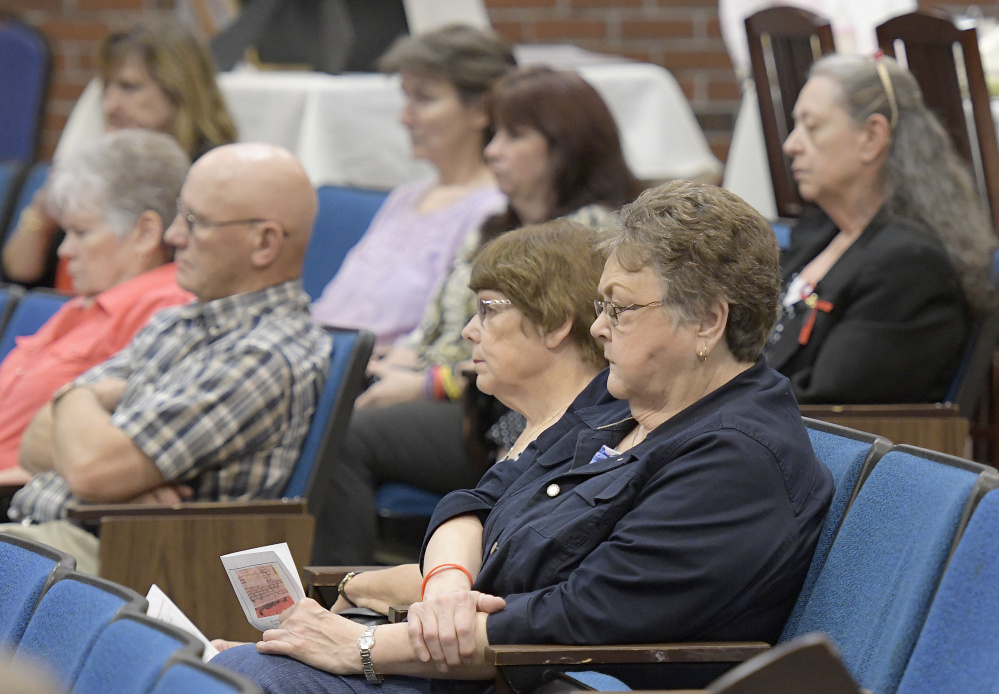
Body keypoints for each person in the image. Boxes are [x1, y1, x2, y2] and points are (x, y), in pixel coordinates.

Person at [211, 180, 834, 694]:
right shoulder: (618, 402)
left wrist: (365, 646)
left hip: (524, 681)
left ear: (706, 320)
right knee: (205, 666)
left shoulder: (736, 460)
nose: (599, 326)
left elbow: (578, 622)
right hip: (458, 658)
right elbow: (478, 500)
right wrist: (448, 587)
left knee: (231, 678)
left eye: (619, 309)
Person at [312, 66, 643, 564]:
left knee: (347, 435)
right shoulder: (493, 223)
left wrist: (427, 382)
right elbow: (439, 324)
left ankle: (341, 575)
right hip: (461, 384)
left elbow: (564, 351)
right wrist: (399, 362)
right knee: (319, 398)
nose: (492, 151)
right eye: (492, 136)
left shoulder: (595, 237)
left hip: (498, 403)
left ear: (567, 143)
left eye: (514, 135)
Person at [2, 143, 332, 577]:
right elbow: (36, 441)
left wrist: (76, 398)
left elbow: (89, 469)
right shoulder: (178, 321)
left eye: (195, 222)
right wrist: (97, 441)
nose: (174, 235)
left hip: (122, 565)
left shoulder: (265, 354)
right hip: (45, 535)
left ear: (264, 242)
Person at [766, 54, 995, 403]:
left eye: (811, 127)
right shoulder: (819, 232)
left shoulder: (909, 267)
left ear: (872, 137)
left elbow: (826, 405)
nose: (791, 145)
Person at [0, 129, 194, 485]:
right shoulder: (85, 303)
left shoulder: (167, 309)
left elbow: (99, 460)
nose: (64, 251)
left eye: (81, 232)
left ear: (145, 233)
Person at [310, 25, 514, 346]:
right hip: (322, 351)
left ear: (481, 110)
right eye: (406, 97)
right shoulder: (407, 197)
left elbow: (439, 336)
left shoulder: (493, 210)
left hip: (374, 375)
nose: (405, 118)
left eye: (424, 98)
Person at [3, 15, 238, 290]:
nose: (110, 105)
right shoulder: (99, 166)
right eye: (107, 88)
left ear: (180, 92)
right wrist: (41, 214)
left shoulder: (216, 176)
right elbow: (19, 275)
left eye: (129, 87)